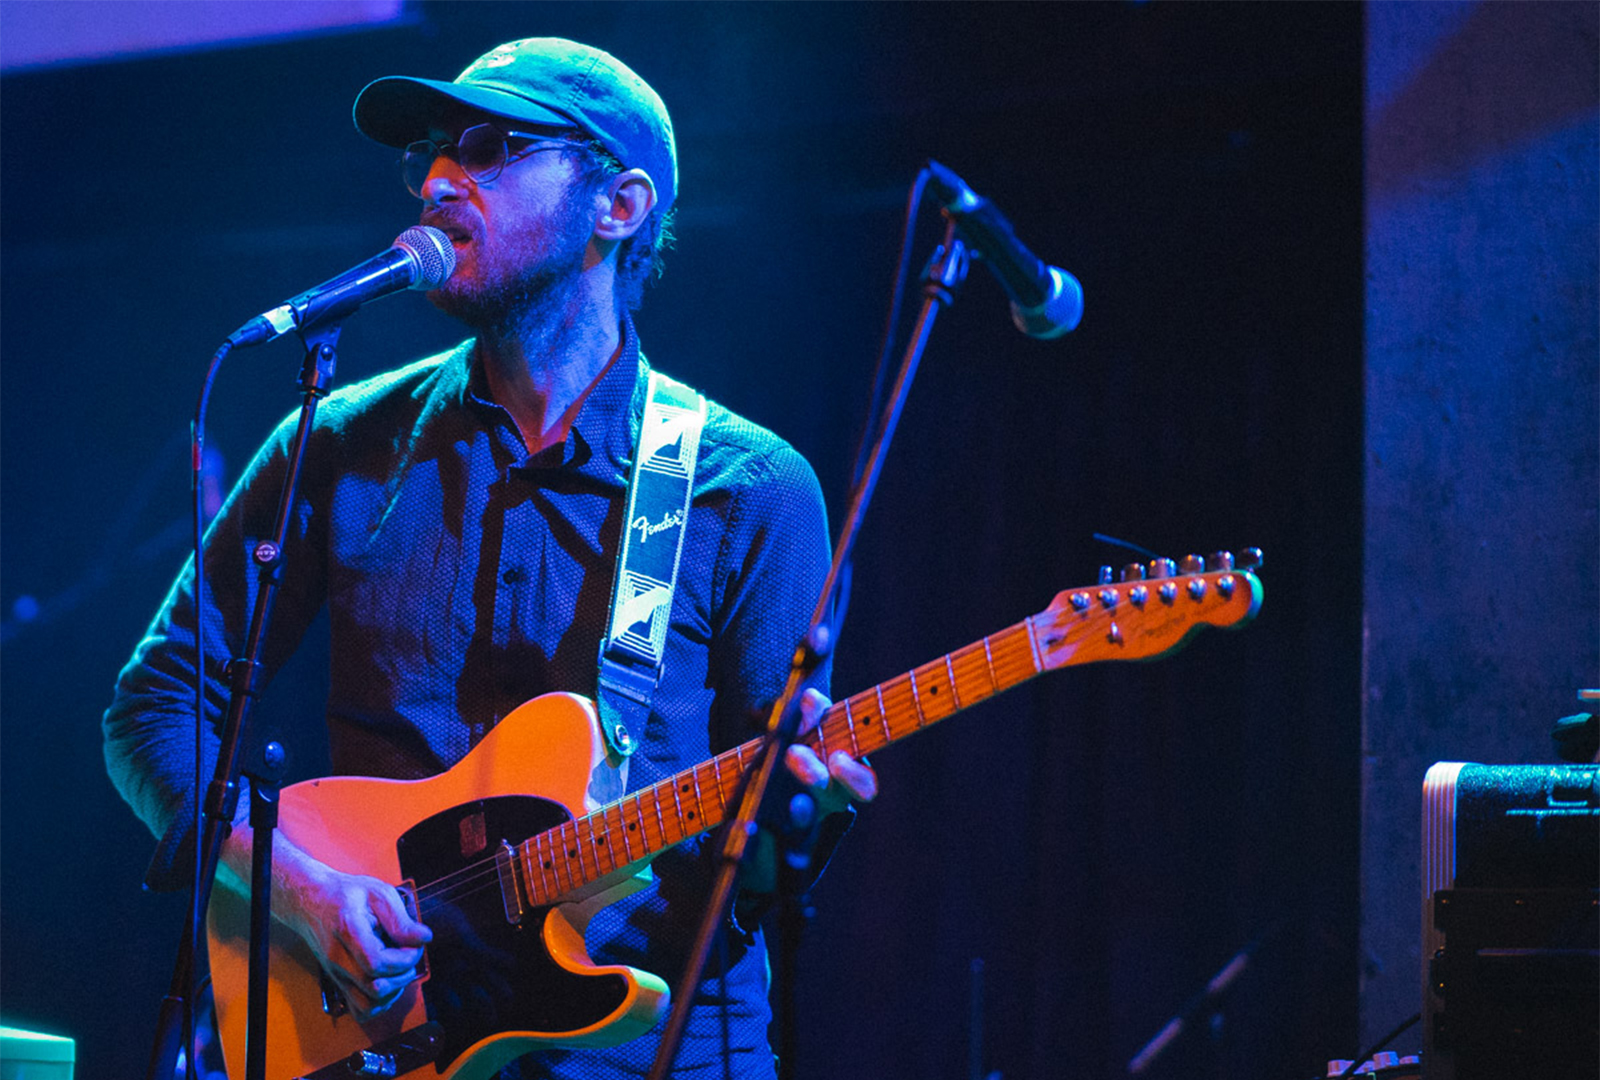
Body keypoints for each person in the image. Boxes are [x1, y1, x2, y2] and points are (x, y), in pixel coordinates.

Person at [103, 37, 875, 1079]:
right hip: (379, 1040)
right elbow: (156, 705)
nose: (433, 178)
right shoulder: (335, 442)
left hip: (651, 1049)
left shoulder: (750, 489)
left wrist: (802, 810)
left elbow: (764, 859)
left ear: (619, 206)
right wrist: (297, 888)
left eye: (489, 146)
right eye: (427, 150)